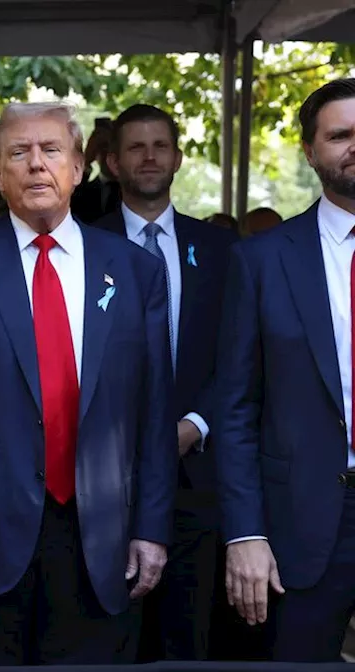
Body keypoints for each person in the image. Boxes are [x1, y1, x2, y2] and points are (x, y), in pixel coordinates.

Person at [0, 101, 176, 665]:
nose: (35, 164)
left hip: (101, 535)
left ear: (79, 168)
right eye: (18, 153)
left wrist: (152, 527)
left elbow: (153, 409)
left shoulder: (134, 269)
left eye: (51, 150)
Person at [91, 104, 239, 661]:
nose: (149, 157)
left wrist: (195, 424)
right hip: (107, 475)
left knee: (188, 631)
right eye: (135, 147)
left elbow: (240, 359)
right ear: (111, 162)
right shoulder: (86, 247)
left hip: (198, 473)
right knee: (111, 630)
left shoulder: (224, 252)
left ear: (177, 157)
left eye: (160, 146)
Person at [217, 78, 355, 662]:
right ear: (311, 151)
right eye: (341, 135)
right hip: (302, 524)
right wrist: (245, 533)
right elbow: (235, 408)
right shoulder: (262, 259)